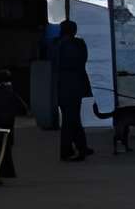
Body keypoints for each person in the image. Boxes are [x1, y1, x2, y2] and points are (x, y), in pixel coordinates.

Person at [54, 16, 94, 161]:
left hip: (64, 86)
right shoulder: (73, 44)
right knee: (71, 119)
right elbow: (78, 62)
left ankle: (80, 146)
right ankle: (67, 150)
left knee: (72, 118)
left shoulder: (59, 44)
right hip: (71, 86)